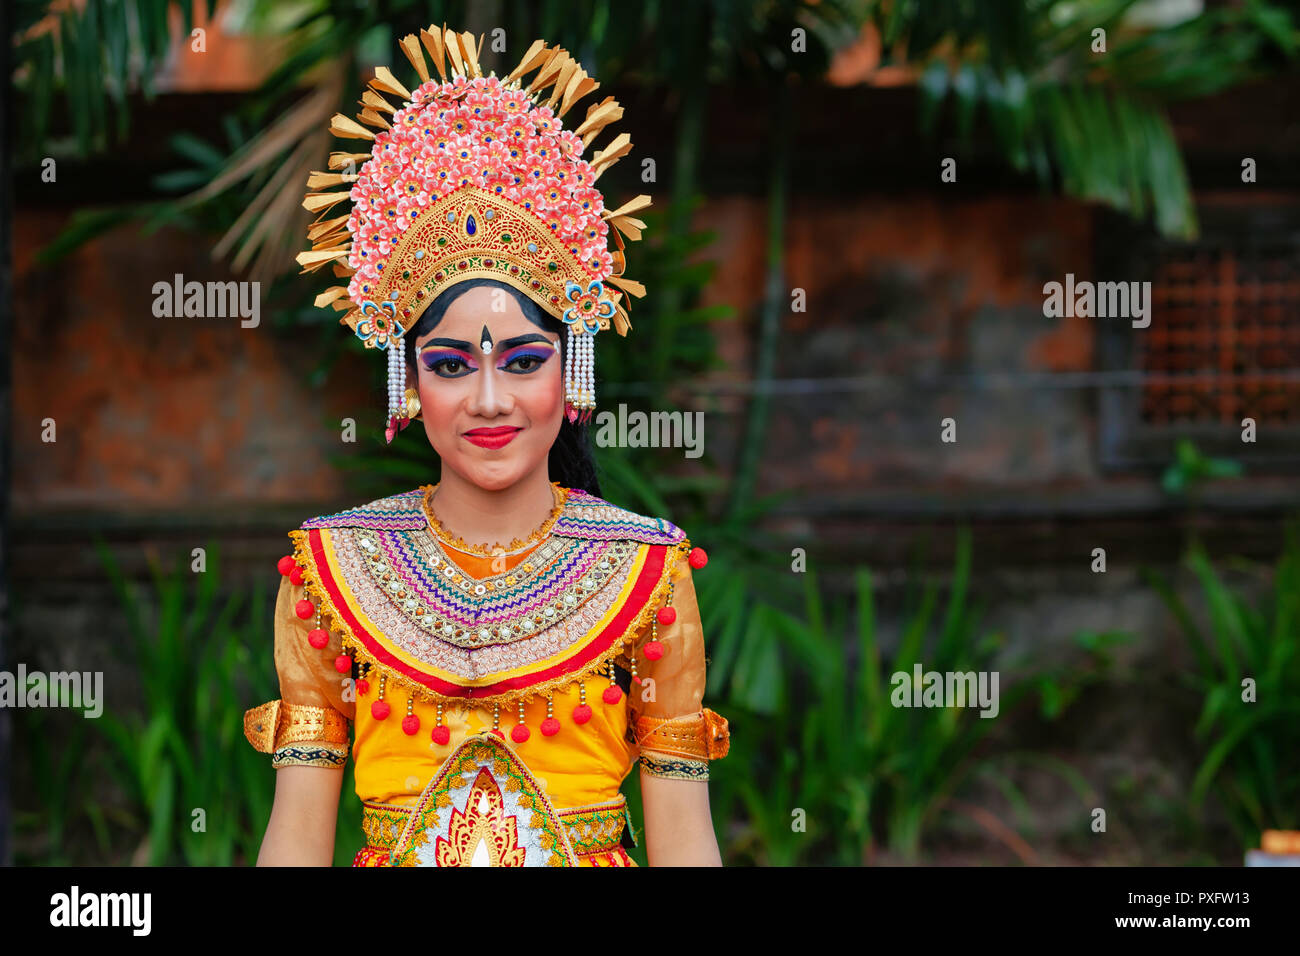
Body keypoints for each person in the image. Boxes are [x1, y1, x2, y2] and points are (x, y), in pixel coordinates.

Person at [243, 24, 729, 867]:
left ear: (570, 369)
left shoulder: (647, 580)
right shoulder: (328, 578)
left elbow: (685, 845)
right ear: (411, 382)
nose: (490, 399)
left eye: (525, 360)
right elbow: (295, 842)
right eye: (451, 364)